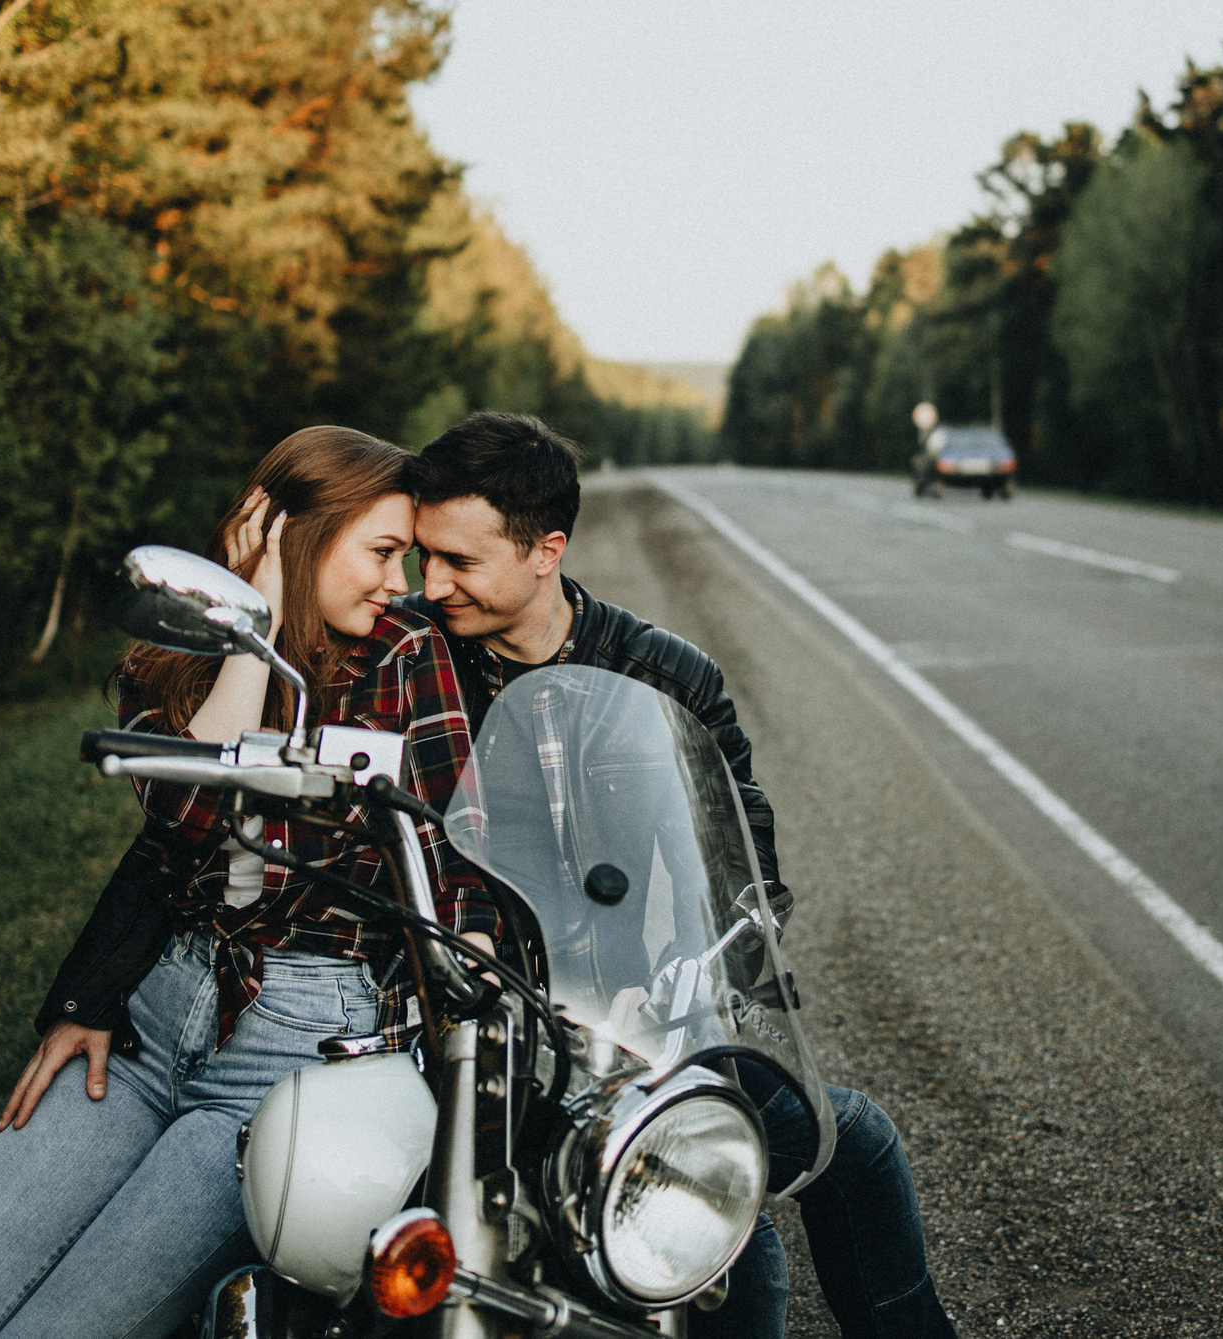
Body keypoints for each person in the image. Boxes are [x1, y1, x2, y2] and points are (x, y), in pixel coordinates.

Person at [0, 426, 496, 1339]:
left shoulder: (405, 652)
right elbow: (189, 817)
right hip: (157, 1014)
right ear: (298, 537)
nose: (398, 582)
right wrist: (254, 628)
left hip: (298, 1058)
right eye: (382, 552)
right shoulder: (179, 646)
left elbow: (460, 844)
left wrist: (472, 947)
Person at [409, 412, 957, 1339]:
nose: (431, 583)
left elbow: (746, 860)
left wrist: (711, 975)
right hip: (486, 1030)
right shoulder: (415, 668)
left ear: (547, 549)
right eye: (424, 555)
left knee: (851, 1142)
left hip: (644, 1025)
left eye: (458, 560)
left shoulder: (667, 672)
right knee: (741, 1257)